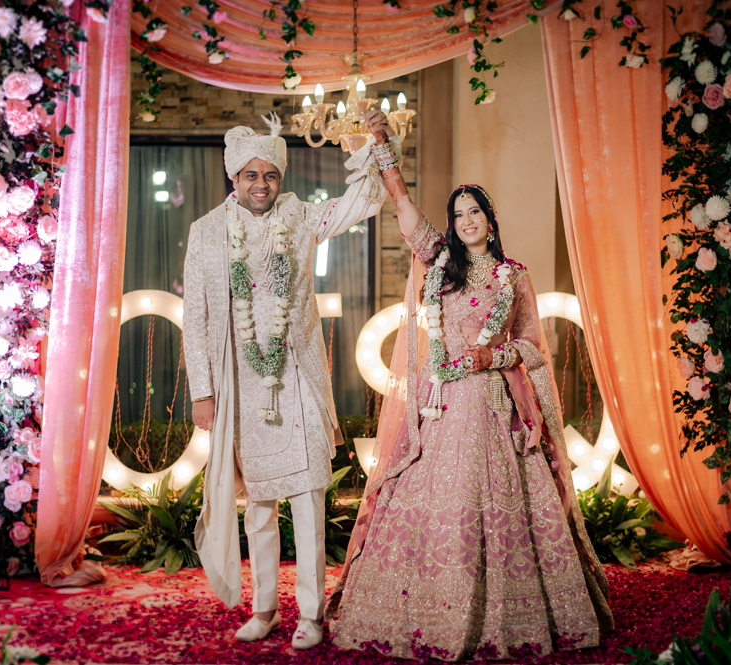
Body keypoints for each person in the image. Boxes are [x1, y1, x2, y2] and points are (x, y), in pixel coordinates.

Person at [326, 117, 614, 660]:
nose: (465, 221)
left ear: (490, 219)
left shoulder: (514, 276)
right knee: (437, 505)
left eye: (473, 212)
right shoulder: (440, 265)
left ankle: (506, 614)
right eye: (457, 215)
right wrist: (384, 150)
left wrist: (495, 355)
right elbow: (404, 208)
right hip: (442, 406)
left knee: (497, 507)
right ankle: (426, 611)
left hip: (493, 404)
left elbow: (532, 346)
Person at [183, 112, 400, 649]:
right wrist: (202, 392)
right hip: (241, 387)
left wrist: (377, 145)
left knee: (307, 500)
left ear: (281, 178)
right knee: (258, 505)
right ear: (234, 177)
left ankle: (311, 613)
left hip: (297, 379)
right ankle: (264, 609)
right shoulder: (207, 232)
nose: (261, 184)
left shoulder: (300, 218)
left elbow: (360, 203)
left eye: (271, 175)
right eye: (251, 175)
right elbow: (196, 318)